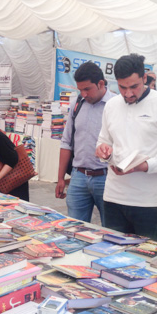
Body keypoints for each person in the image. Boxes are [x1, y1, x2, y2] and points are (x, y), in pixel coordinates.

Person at [95, 53, 157, 242]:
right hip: (113, 198)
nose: (128, 93)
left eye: (134, 87)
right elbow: (103, 141)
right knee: (111, 255)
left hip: (150, 203)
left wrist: (146, 166)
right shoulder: (111, 105)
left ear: (144, 78)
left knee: (150, 258)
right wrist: (103, 150)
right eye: (122, 87)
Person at [55, 62, 115, 223]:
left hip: (107, 177)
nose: (84, 94)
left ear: (101, 84)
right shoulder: (77, 103)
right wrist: (60, 178)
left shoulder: (115, 105)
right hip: (78, 177)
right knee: (74, 228)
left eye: (87, 89)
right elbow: (66, 142)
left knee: (111, 228)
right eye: (80, 90)